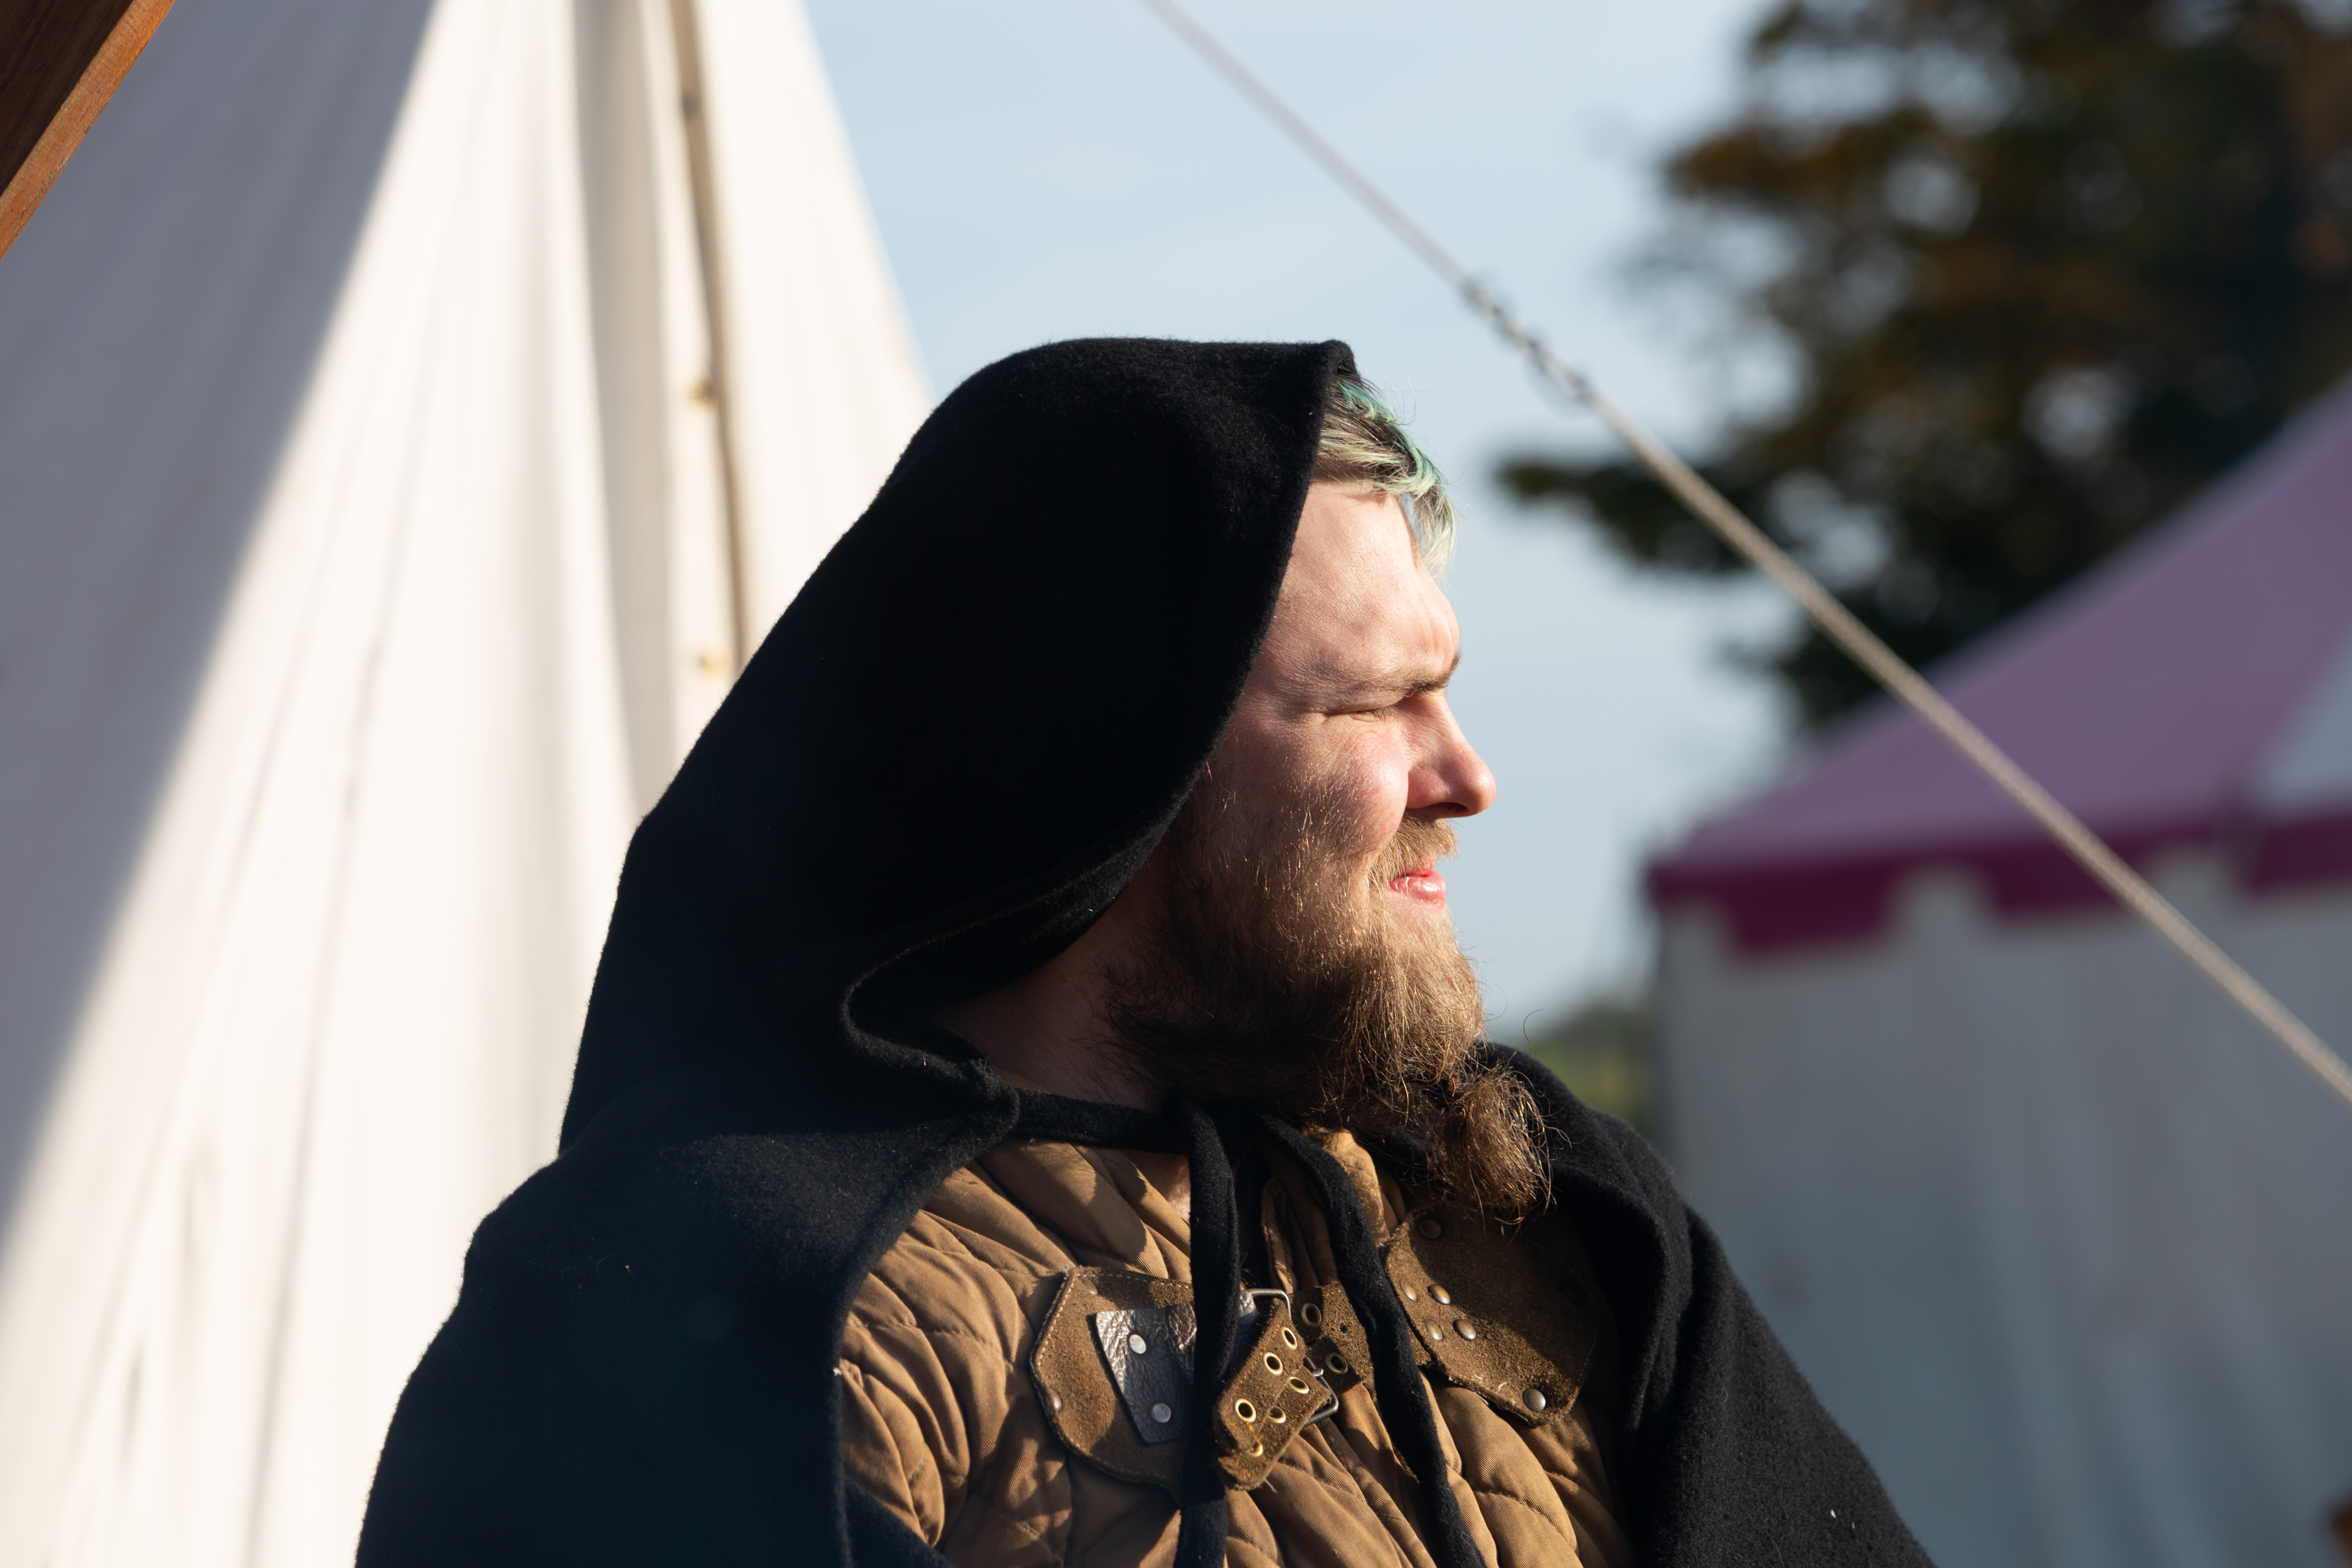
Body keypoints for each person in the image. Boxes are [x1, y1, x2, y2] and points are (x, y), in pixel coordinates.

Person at [360, 339, 1931, 1568]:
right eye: (1369, 704)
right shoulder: (717, 1298)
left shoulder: (1536, 1193)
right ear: (1122, 767)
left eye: (1444, 689)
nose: (1465, 776)